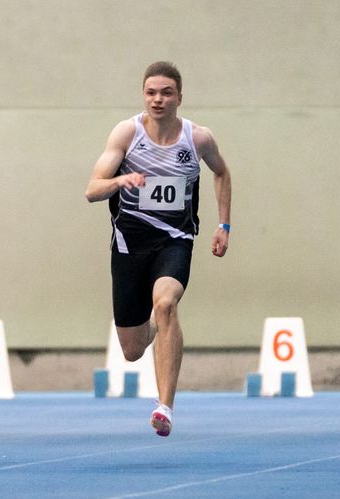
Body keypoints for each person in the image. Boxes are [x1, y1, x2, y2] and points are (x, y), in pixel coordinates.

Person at [86, 61, 233, 439]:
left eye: (166, 93)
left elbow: (221, 172)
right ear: (143, 96)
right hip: (129, 244)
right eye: (151, 92)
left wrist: (223, 225)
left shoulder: (197, 139)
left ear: (179, 98)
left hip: (175, 239)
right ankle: (156, 327)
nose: (158, 99)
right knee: (132, 349)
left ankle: (164, 405)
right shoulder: (127, 133)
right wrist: (123, 179)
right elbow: (92, 189)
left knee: (166, 303)